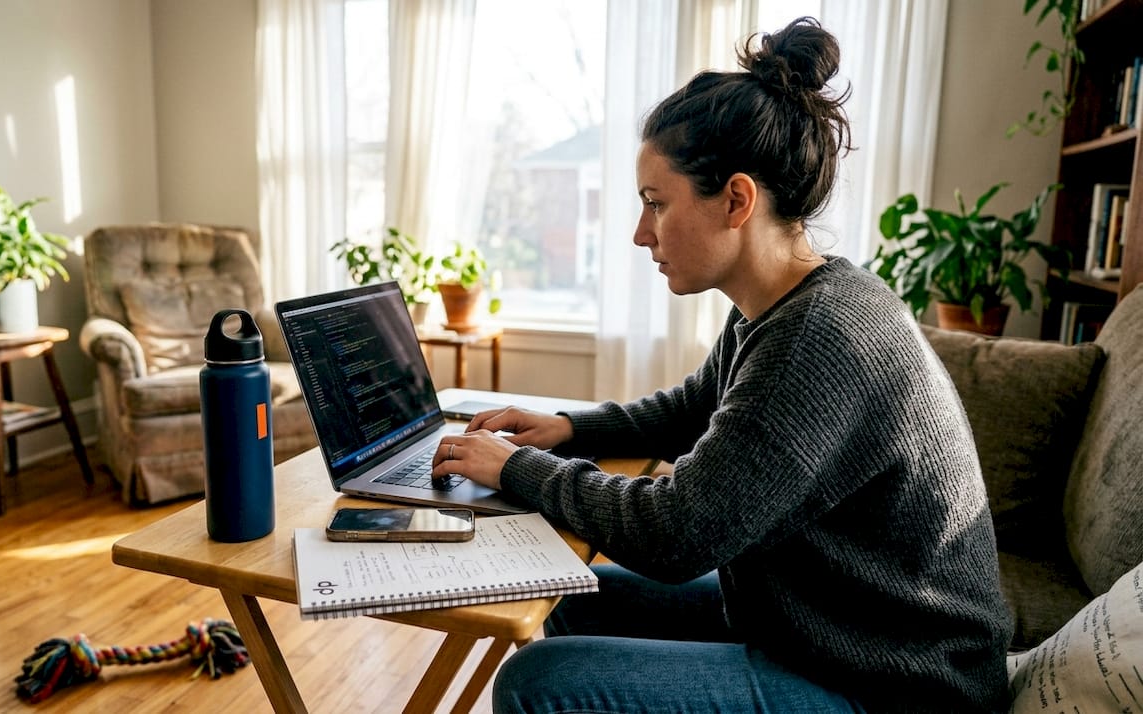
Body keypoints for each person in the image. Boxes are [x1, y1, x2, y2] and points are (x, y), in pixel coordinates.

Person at [430, 16, 1013, 714]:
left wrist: (516, 469)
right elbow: (693, 407)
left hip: (899, 687)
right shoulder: (786, 304)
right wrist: (567, 429)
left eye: (656, 204)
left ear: (736, 200)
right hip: (834, 632)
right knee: (574, 594)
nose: (640, 233)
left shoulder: (816, 337)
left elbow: (680, 533)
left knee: (536, 685)